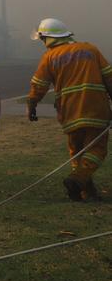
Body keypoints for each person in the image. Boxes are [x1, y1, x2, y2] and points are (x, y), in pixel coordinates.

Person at [27, 18, 112, 201]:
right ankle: (79, 182)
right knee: (97, 149)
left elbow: (38, 85)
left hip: (70, 112)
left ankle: (84, 189)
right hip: (96, 109)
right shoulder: (90, 49)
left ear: (48, 38)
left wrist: (32, 105)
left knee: (77, 150)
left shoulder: (49, 57)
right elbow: (109, 77)